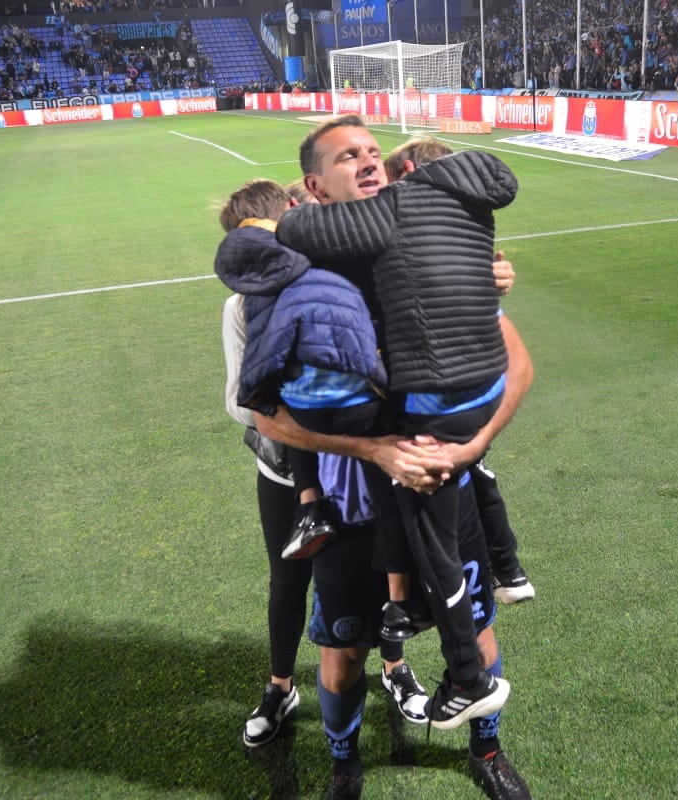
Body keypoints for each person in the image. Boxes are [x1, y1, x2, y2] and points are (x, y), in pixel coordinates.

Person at [256, 116, 534, 799]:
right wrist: (374, 449)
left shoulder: (439, 257)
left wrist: (469, 448)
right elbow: (267, 416)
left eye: (375, 151)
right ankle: (346, 763)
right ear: (315, 187)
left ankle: (487, 749)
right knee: (345, 649)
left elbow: (520, 365)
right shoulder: (287, 282)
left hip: (446, 478)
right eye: (350, 157)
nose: (371, 162)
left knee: (472, 626)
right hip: (348, 506)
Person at [219, 180, 431, 744]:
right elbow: (249, 410)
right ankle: (281, 685)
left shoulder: (350, 283)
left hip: (357, 472)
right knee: (288, 581)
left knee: (380, 572)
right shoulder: (241, 304)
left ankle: (392, 666)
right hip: (287, 474)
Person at [382, 139, 537, 608]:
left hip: (442, 391)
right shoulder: (467, 208)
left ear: (407, 171)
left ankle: (423, 609)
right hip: (471, 386)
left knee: (432, 489)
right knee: (474, 466)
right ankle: (506, 572)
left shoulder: (412, 221)